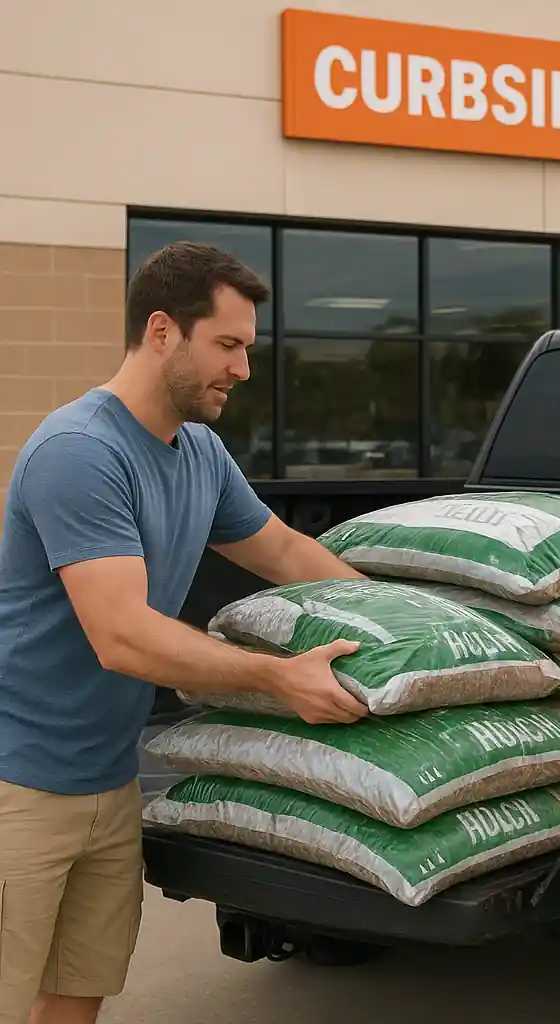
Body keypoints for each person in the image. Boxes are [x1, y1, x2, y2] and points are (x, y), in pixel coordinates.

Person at [0, 242, 372, 1024]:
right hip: (19, 786)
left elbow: (285, 552)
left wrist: (418, 619)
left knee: (74, 998)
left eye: (247, 348)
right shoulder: (81, 453)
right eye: (228, 345)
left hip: (108, 780)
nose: (242, 369)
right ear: (163, 331)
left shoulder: (199, 450)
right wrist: (279, 674)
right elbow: (122, 637)